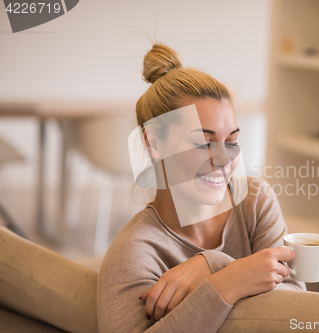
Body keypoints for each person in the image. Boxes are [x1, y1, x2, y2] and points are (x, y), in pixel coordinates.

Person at [97, 43, 306, 333]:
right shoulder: (136, 252)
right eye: (203, 142)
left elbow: (296, 309)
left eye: (231, 142)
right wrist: (224, 284)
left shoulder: (255, 201)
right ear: (154, 144)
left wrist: (215, 264)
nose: (223, 160)